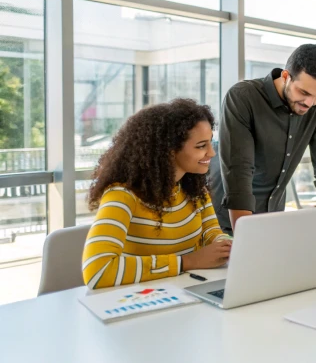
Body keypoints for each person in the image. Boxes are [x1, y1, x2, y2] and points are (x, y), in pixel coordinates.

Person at [82, 99, 232, 289]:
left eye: (211, 143)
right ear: (168, 151)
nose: (211, 152)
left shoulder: (195, 190)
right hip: (137, 298)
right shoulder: (122, 195)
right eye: (201, 146)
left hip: (184, 291)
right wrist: (186, 262)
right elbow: (97, 270)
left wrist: (228, 247)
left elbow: (211, 233)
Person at [209, 44, 316, 234]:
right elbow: (238, 174)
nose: (310, 103)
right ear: (286, 76)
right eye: (303, 92)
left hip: (273, 218)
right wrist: (246, 238)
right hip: (229, 222)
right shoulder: (243, 97)